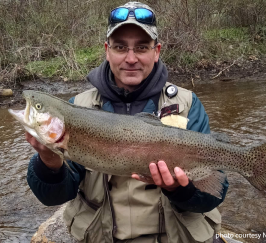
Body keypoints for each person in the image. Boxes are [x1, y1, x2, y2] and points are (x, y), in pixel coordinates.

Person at [26, 2, 229, 243]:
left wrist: (180, 190)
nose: (130, 58)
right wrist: (49, 162)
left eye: (141, 47)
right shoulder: (77, 109)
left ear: (157, 51)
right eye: (120, 47)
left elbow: (213, 194)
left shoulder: (187, 104)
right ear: (107, 50)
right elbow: (53, 197)